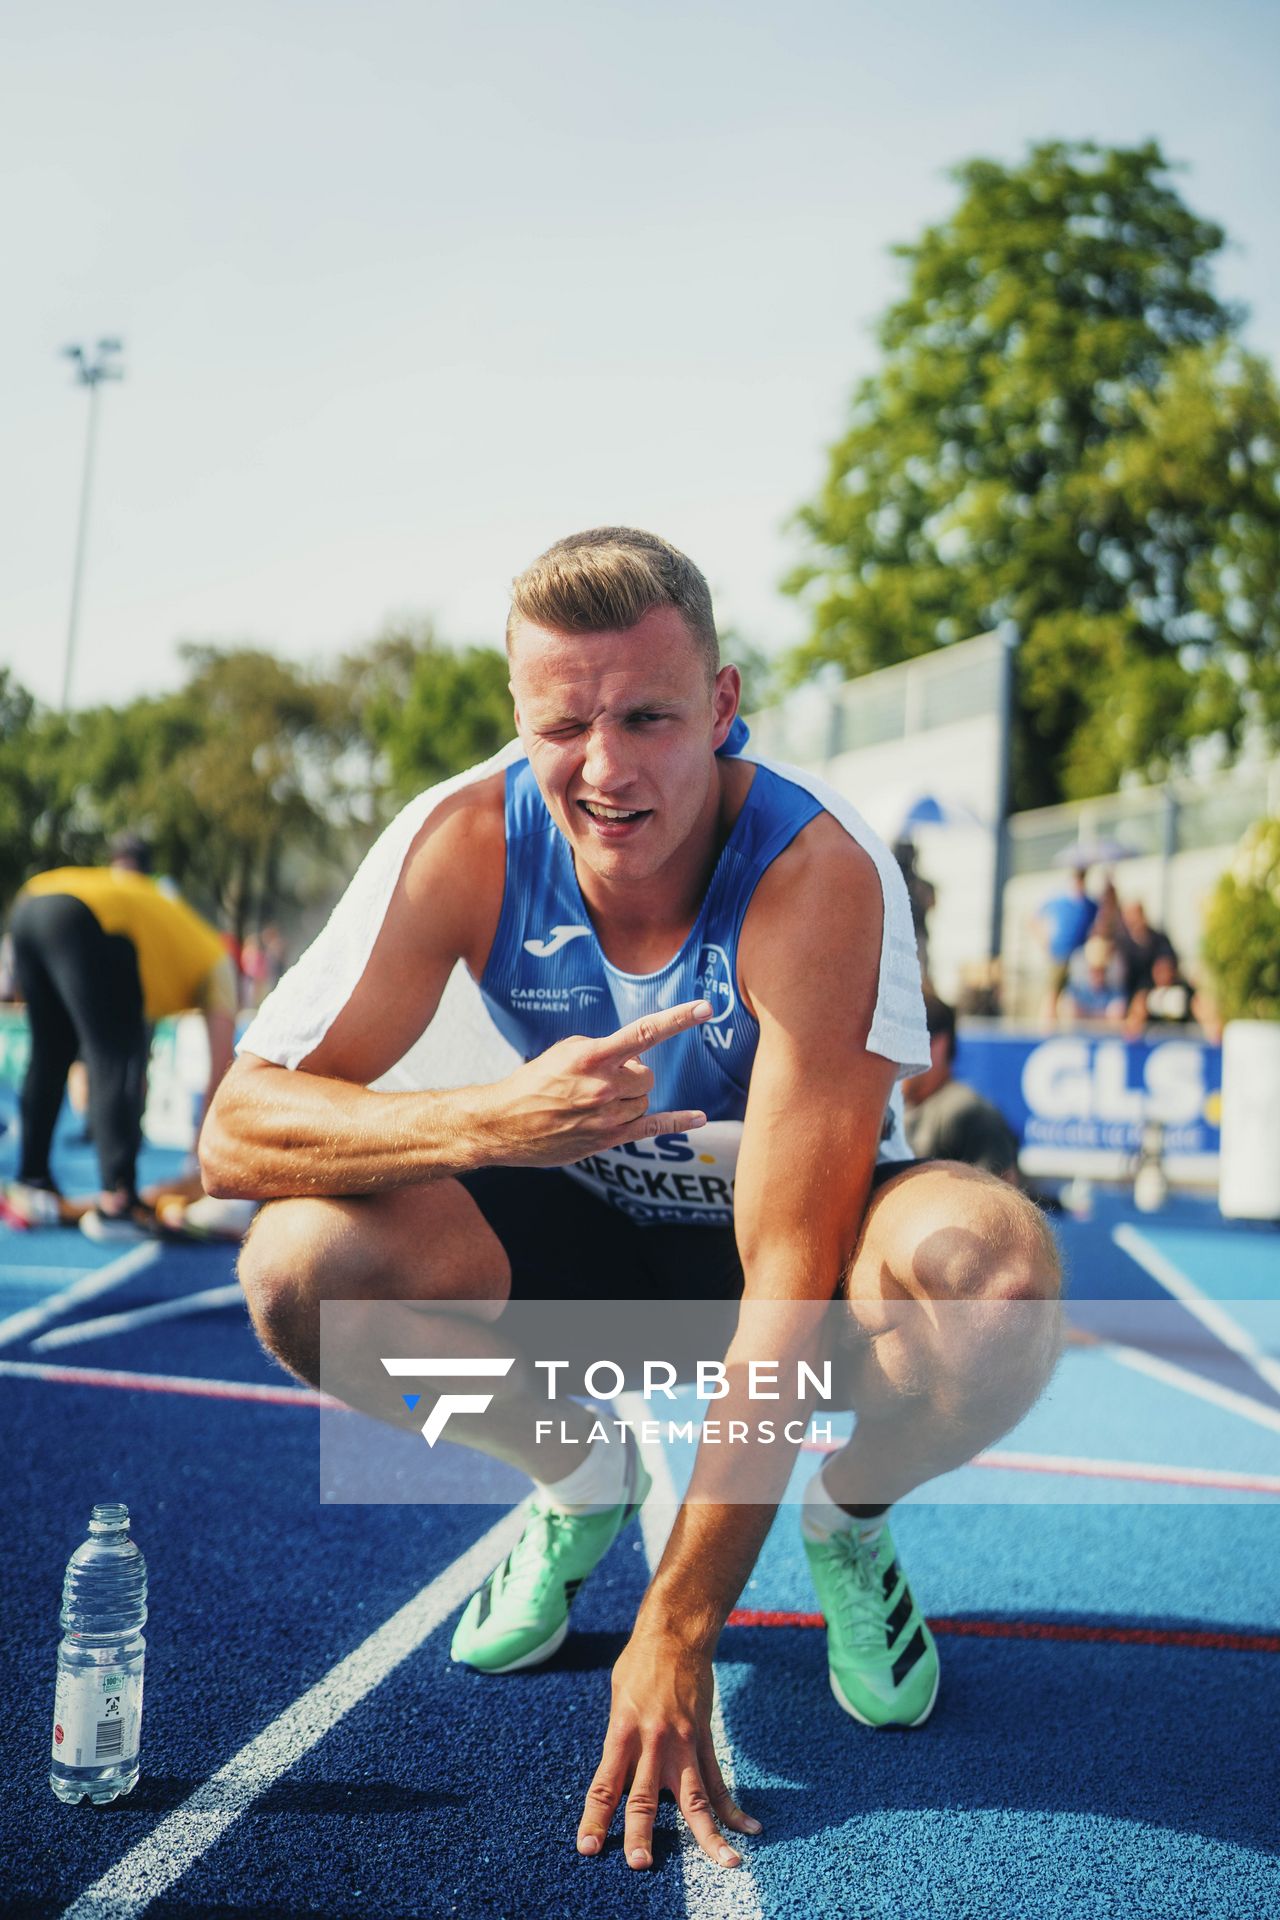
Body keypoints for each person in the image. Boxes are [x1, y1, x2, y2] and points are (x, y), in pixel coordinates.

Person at [202, 528, 1061, 1875]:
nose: (605, 768)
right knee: (297, 1272)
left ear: (721, 708)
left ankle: (853, 1512)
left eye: (649, 717)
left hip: (788, 1236)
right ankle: (573, 1468)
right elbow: (238, 1130)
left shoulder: (815, 873)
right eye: (566, 724)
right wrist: (493, 1117)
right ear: (518, 721)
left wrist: (678, 1626)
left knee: (994, 1284)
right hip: (570, 1207)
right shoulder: (461, 840)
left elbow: (785, 1276)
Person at [6, 834, 237, 1241]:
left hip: (29, 905)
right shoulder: (216, 966)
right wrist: (204, 1157)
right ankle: (119, 1201)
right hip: (90, 918)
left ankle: (33, 1181)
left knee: (51, 1050)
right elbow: (221, 1073)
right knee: (116, 1054)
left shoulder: (171, 939)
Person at [903, 995, 1020, 1181]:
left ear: (939, 1045)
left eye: (903, 1043)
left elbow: (1000, 1198)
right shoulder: (895, 1109)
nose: (892, 1058)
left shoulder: (970, 1113)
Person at [1036, 868, 1096, 1025]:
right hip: (1060, 952)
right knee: (1053, 992)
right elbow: (1035, 918)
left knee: (1074, 995)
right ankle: (1047, 1025)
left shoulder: (1089, 904)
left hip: (1080, 955)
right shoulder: (1060, 901)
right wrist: (1044, 940)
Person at [1061, 936, 1127, 1024]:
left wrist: (1085, 1014)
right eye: (1094, 970)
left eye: (1101, 970)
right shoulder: (1077, 989)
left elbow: (1116, 1015)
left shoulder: (1115, 992)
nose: (1097, 975)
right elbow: (1068, 1010)